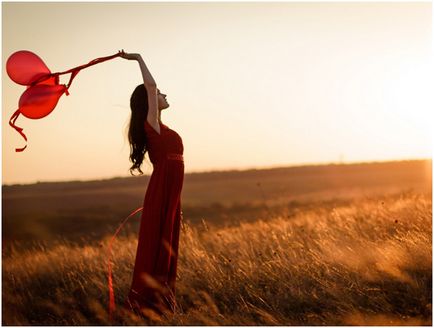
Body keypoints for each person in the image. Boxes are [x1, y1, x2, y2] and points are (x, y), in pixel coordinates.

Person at [119, 50, 184, 316]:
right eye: (160, 94)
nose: (164, 95)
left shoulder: (160, 127)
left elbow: (154, 89)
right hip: (163, 188)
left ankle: (161, 304)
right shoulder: (152, 124)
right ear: (150, 100)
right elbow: (151, 85)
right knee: (158, 242)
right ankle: (148, 305)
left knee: (167, 241)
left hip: (171, 189)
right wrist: (138, 58)